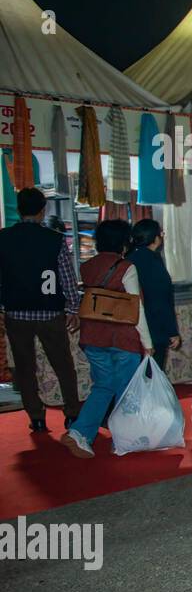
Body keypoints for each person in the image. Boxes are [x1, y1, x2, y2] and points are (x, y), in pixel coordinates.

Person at [59, 220, 153, 458]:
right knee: (125, 390)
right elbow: (136, 307)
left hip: (92, 336)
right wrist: (148, 342)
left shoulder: (88, 266)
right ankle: (123, 440)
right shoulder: (126, 267)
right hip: (122, 337)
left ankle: (80, 432)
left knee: (103, 386)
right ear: (124, 242)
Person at [0, 188, 83, 432]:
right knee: (63, 364)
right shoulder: (55, 239)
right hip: (50, 312)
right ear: (42, 210)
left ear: (18, 208)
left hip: (16, 312)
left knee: (25, 368)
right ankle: (71, 413)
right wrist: (73, 308)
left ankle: (36, 416)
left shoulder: (3, 238)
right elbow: (67, 278)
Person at [128, 219, 181, 372]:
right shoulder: (152, 261)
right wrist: (172, 331)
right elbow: (161, 300)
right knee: (153, 375)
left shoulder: (131, 259)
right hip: (154, 327)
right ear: (155, 238)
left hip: (133, 326)